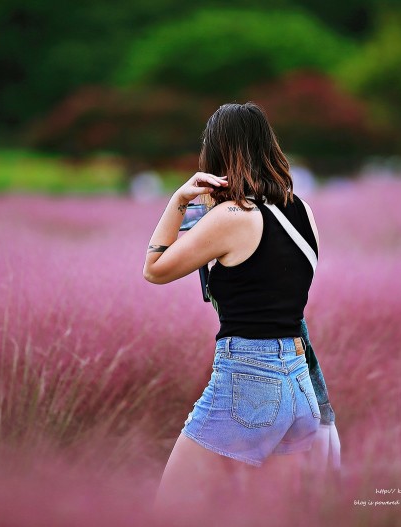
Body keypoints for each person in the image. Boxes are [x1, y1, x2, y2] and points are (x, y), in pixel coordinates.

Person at [143, 102, 324, 519]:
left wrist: (179, 199)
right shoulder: (302, 211)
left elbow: (154, 269)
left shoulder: (232, 216)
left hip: (248, 378)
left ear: (217, 155)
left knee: (171, 511)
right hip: (300, 385)